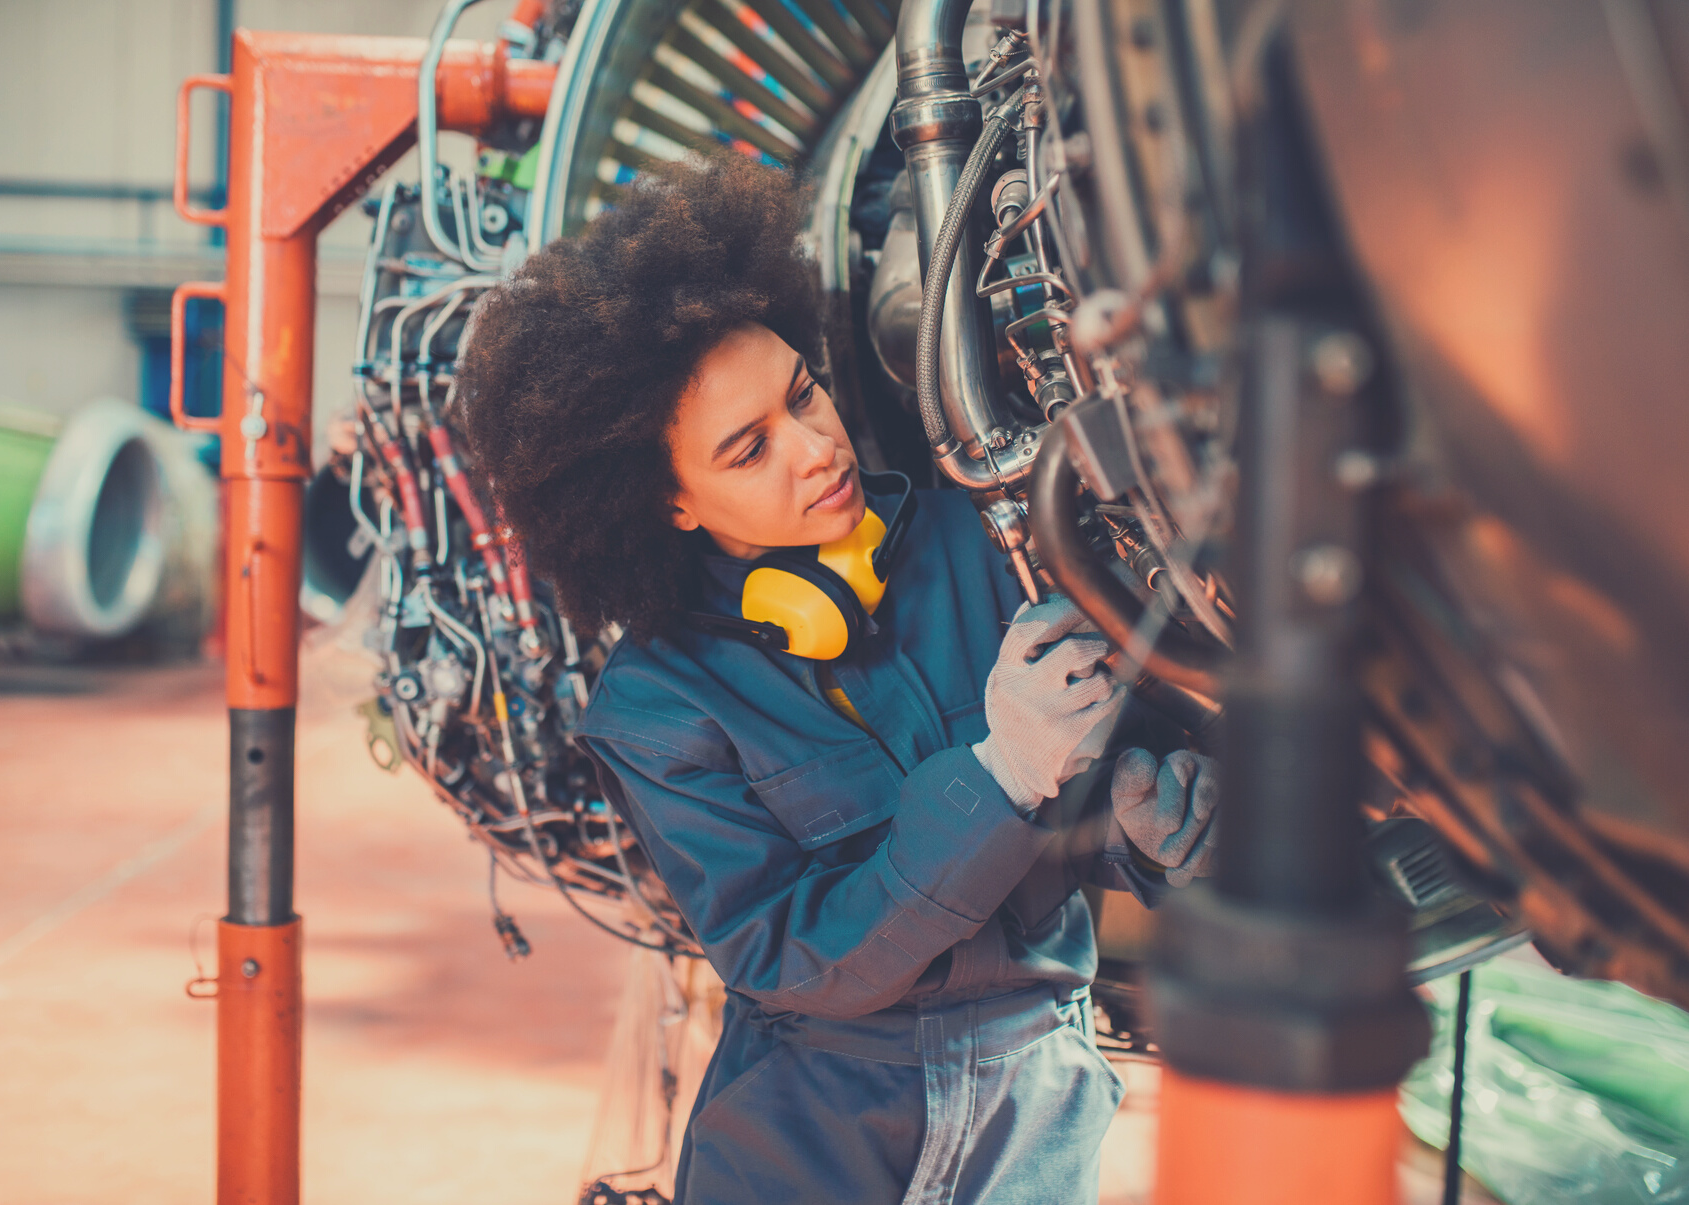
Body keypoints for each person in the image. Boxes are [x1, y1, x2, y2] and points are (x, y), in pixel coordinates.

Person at [454, 154, 1216, 1205]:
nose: (814, 449)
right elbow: (794, 955)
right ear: (671, 503)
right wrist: (995, 776)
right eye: (746, 448)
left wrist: (1148, 837)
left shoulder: (982, 540)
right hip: (814, 1123)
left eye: (803, 393)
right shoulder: (657, 705)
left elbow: (1084, 822)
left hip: (1034, 1094)